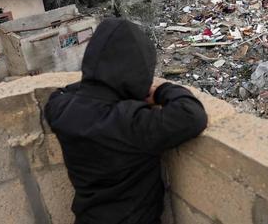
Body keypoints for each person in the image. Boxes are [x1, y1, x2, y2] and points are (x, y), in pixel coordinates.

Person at [45, 18, 207, 224]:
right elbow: (192, 115)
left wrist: (95, 81)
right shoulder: (130, 123)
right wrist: (160, 92)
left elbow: (67, 91)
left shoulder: (60, 109)